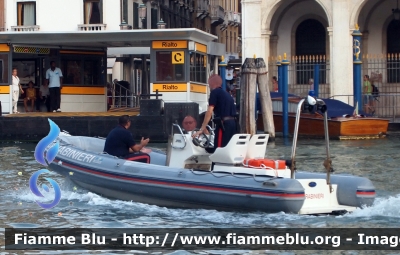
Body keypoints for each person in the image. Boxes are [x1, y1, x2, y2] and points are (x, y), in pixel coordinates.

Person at [192, 74, 237, 154]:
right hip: (233, 124)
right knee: (228, 147)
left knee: (219, 149)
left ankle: (217, 165)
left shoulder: (214, 93)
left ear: (211, 83)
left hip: (223, 124)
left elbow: (209, 111)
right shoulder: (227, 94)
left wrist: (202, 129)